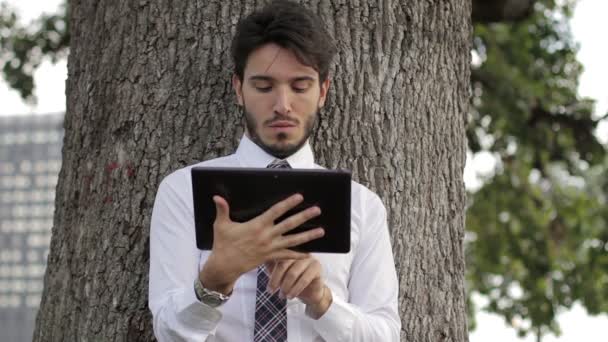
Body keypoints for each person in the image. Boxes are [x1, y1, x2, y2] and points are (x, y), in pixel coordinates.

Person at [148, 1, 400, 341]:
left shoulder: (363, 206)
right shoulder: (183, 191)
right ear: (238, 89)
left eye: (300, 87)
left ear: (323, 91)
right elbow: (167, 333)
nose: (282, 104)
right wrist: (214, 280)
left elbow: (385, 335)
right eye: (264, 87)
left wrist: (322, 301)